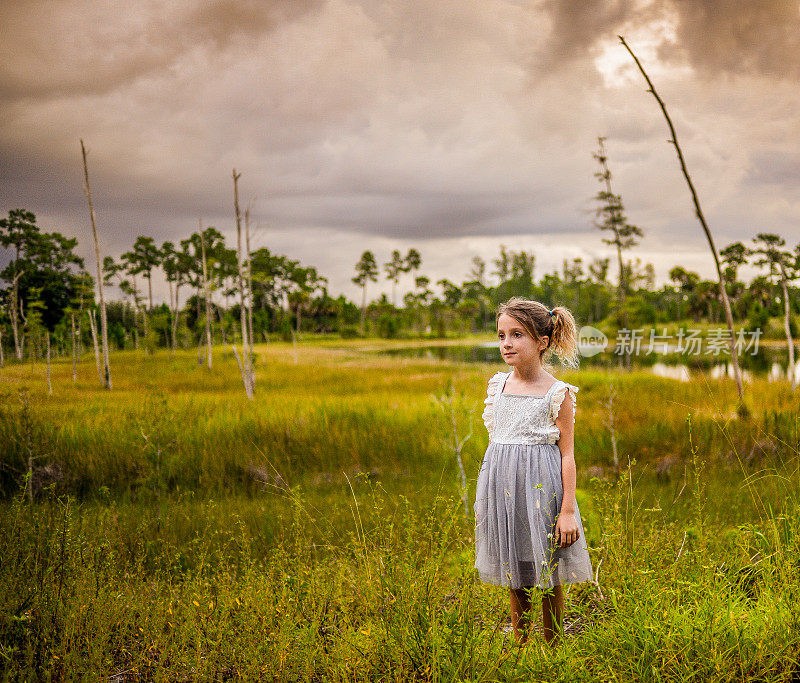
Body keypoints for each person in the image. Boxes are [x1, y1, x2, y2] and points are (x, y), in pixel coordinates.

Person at [474, 297, 593, 645]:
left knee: (549, 569)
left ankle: (553, 646)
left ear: (542, 342)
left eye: (517, 335)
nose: (507, 343)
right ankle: (521, 647)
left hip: (544, 490)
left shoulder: (558, 393)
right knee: (515, 569)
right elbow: (498, 447)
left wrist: (568, 510)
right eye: (501, 335)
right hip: (503, 490)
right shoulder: (499, 386)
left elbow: (567, 455)